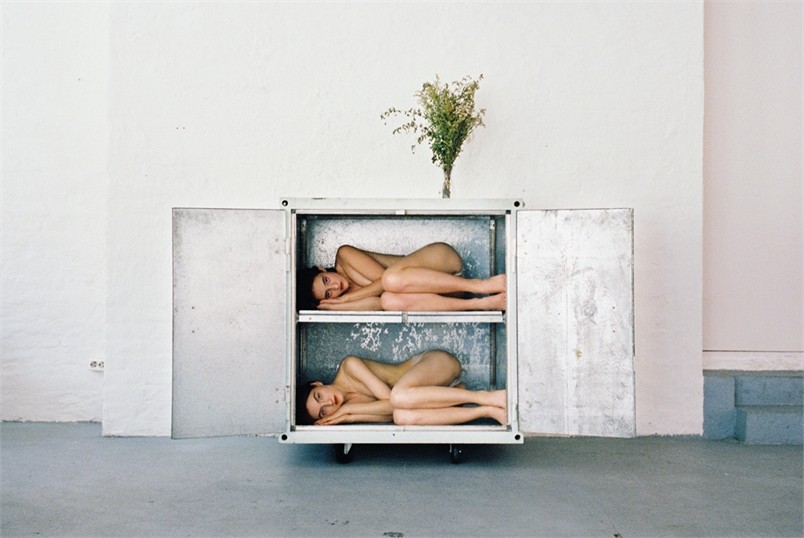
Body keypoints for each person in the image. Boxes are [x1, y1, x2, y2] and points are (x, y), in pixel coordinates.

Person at [296, 350, 507, 426]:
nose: (328, 403)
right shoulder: (348, 410)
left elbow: (391, 401)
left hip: (435, 363)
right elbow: (390, 414)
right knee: (401, 418)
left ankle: (484, 397)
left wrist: (349, 410)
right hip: (433, 396)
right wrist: (348, 416)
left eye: (318, 396)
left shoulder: (349, 366)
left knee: (398, 398)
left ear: (317, 384)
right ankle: (486, 411)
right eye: (323, 412)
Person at [296, 242, 506, 311]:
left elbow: (385, 280)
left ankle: (480, 286)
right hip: (447, 293)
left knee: (391, 281)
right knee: (388, 302)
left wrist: (349, 298)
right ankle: (480, 304)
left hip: (441, 263)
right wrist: (339, 306)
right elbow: (379, 304)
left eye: (326, 280)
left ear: (322, 269)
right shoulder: (346, 299)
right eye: (329, 294)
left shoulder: (344, 257)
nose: (335, 287)